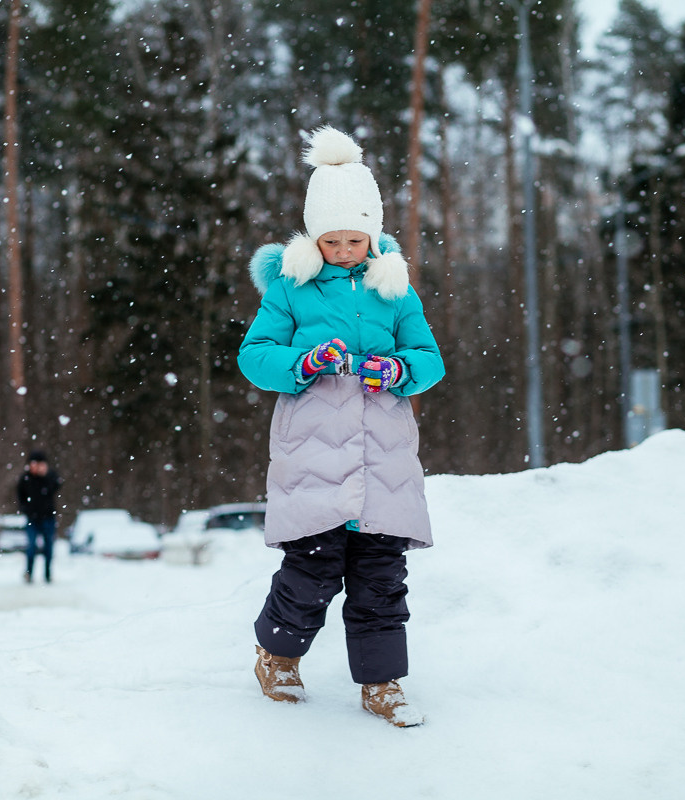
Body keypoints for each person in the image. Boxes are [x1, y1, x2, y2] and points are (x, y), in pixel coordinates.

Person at [237, 126, 445, 727]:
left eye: (356, 239)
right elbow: (255, 355)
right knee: (312, 569)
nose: (346, 250)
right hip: (313, 454)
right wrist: (303, 363)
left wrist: (398, 370)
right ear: (314, 237)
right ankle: (278, 656)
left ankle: (382, 682)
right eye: (333, 240)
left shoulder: (395, 290)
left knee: (382, 579)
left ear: (373, 234)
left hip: (384, 458)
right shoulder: (291, 289)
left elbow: (429, 361)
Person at [16, 449, 62, 583]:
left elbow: (57, 486)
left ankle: (47, 573)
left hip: (48, 517)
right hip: (32, 518)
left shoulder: (50, 476)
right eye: (33, 464)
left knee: (49, 546)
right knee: (31, 546)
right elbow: (20, 496)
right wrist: (26, 509)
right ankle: (29, 573)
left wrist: (45, 476)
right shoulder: (25, 479)